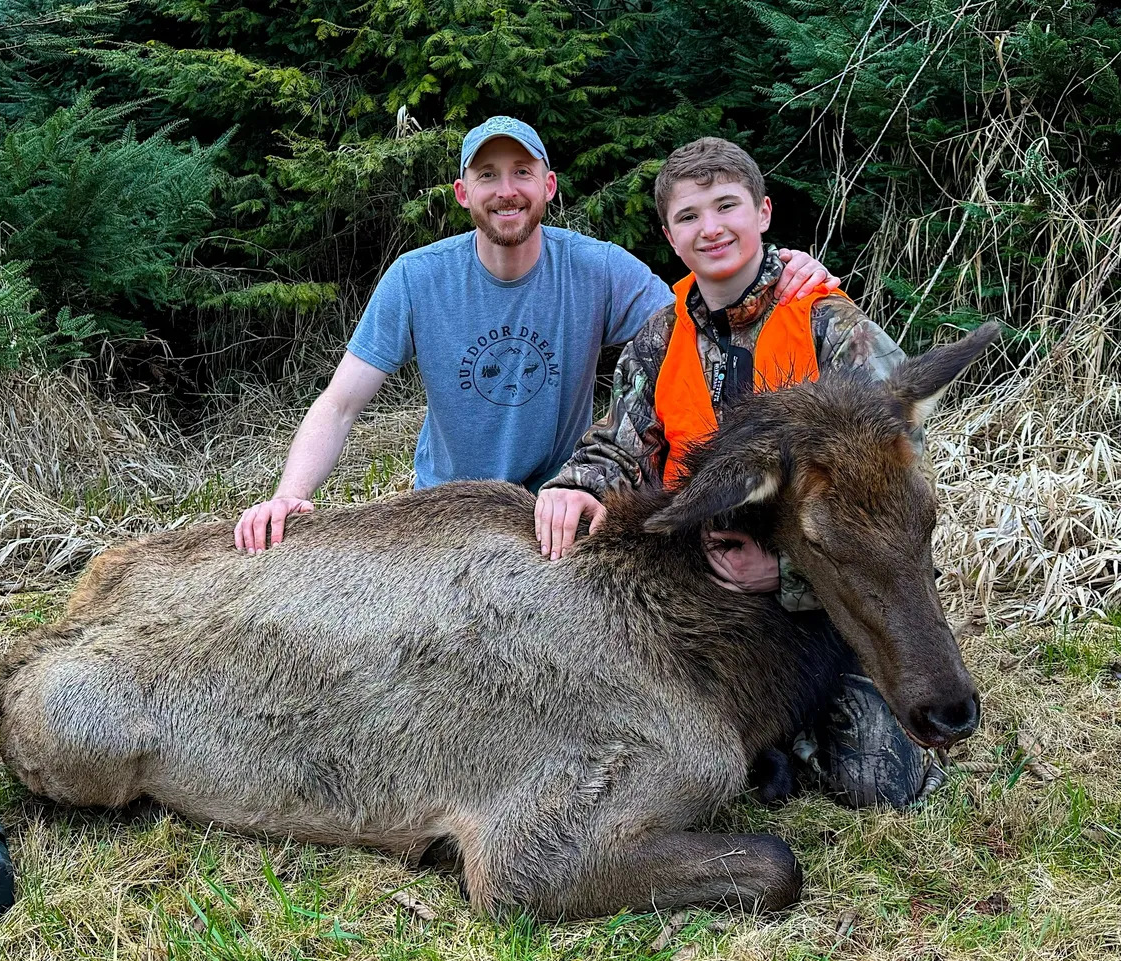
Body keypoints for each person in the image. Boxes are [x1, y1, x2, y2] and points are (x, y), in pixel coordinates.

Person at [535, 136, 929, 807]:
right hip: (703, 589)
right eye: (689, 216)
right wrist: (574, 484)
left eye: (726, 206)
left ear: (763, 212)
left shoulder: (831, 324)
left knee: (874, 784)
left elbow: (892, 513)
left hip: (827, 596)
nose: (710, 228)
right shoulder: (659, 338)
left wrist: (786, 573)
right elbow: (619, 443)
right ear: (670, 237)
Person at [235, 117, 836, 552]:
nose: (507, 190)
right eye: (488, 175)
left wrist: (778, 271)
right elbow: (340, 404)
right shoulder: (417, 278)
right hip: (442, 510)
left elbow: (702, 316)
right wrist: (289, 494)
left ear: (548, 185)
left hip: (559, 507)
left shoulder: (598, 268)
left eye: (522, 172)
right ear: (464, 194)